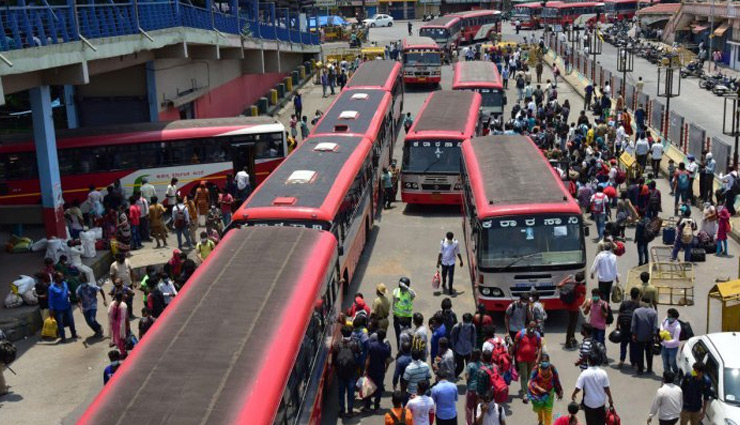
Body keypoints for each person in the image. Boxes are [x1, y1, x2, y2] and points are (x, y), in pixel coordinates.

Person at [571, 352, 614, 425]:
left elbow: (578, 387)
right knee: (600, 422)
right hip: (600, 403)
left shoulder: (584, 373)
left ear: (589, 361)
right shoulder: (603, 373)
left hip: (589, 404)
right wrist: (610, 398)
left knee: (590, 422)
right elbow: (606, 388)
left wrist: (574, 394)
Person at [527, 354, 563, 425]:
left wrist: (560, 391)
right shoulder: (536, 369)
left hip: (549, 393)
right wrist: (539, 388)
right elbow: (531, 381)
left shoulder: (552, 368)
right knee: (539, 408)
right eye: (542, 368)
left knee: (548, 411)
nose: (544, 370)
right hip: (538, 393)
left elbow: (556, 380)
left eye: (546, 367)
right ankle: (540, 420)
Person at [334, 325, 360, 418]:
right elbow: (359, 356)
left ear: (342, 333)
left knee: (341, 392)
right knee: (350, 392)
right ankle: (350, 411)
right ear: (351, 333)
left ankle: (342, 411)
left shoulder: (338, 345)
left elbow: (334, 360)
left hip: (341, 373)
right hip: (351, 373)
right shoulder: (355, 344)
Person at [513, 321, 542, 403]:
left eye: (533, 328)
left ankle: (526, 388)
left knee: (529, 375)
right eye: (530, 328)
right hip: (521, 359)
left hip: (532, 360)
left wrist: (538, 359)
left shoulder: (537, 336)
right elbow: (514, 345)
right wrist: (510, 354)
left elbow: (540, 347)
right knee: (524, 376)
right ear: (527, 326)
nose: (531, 331)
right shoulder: (520, 334)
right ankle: (525, 394)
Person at [365, 329, 392, 411]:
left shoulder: (371, 345)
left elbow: (368, 359)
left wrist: (365, 369)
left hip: (371, 369)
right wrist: (386, 369)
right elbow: (387, 361)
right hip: (380, 370)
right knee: (379, 388)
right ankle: (376, 406)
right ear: (384, 337)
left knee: (369, 387)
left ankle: (367, 406)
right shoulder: (386, 347)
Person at [558, 272, 587, 348]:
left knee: (571, 323)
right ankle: (568, 342)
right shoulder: (581, 286)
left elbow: (559, 285)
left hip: (568, 306)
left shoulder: (569, 283)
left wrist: (567, 278)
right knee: (572, 324)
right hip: (575, 307)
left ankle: (572, 338)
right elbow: (583, 294)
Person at [632, 297, 659, 375]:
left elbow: (634, 325)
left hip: (639, 336)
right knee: (649, 353)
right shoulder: (654, 312)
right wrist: (654, 335)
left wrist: (634, 334)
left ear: (642, 302)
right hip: (650, 337)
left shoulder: (636, 311)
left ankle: (640, 369)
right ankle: (649, 368)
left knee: (639, 353)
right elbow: (655, 326)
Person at [49, 272, 78, 342]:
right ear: (56, 278)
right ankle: (63, 337)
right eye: (60, 277)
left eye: (62, 276)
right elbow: (51, 299)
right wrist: (51, 309)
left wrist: (68, 292)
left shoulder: (64, 283)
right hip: (58, 309)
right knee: (60, 323)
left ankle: (74, 334)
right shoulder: (52, 288)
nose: (62, 278)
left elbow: (67, 290)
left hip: (67, 306)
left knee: (71, 321)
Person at [616, 287, 641, 367]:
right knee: (633, 345)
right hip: (633, 328)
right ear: (638, 296)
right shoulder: (638, 305)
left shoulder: (624, 303)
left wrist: (617, 325)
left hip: (624, 326)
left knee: (623, 344)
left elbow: (619, 314)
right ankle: (633, 362)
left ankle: (622, 360)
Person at [451, 313, 477, 378]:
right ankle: (454, 376)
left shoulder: (472, 327)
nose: (467, 324)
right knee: (460, 367)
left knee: (469, 367)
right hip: (459, 350)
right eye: (466, 322)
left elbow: (474, 338)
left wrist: (474, 348)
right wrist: (454, 348)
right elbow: (452, 338)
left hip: (468, 350)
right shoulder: (457, 327)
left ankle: (469, 380)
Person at [392, 277, 416, 347]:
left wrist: (407, 288)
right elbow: (395, 297)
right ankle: (400, 349)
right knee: (398, 336)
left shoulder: (410, 293)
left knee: (408, 336)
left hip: (407, 318)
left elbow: (414, 294)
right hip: (397, 318)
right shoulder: (396, 291)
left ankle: (407, 349)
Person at [660, 308, 682, 375]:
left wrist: (664, 341)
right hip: (664, 347)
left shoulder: (677, 327)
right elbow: (662, 324)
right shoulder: (666, 319)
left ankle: (676, 372)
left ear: (674, 318)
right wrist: (662, 330)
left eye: (669, 316)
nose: (667, 317)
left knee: (671, 362)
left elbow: (675, 340)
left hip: (673, 348)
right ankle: (667, 375)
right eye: (667, 315)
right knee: (665, 362)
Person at [464, 349, 482, 425]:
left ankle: (469, 423)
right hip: (479, 389)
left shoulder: (470, 365)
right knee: (477, 407)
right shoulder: (482, 364)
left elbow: (467, 377)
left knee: (469, 408)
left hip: (471, 389)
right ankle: (476, 422)